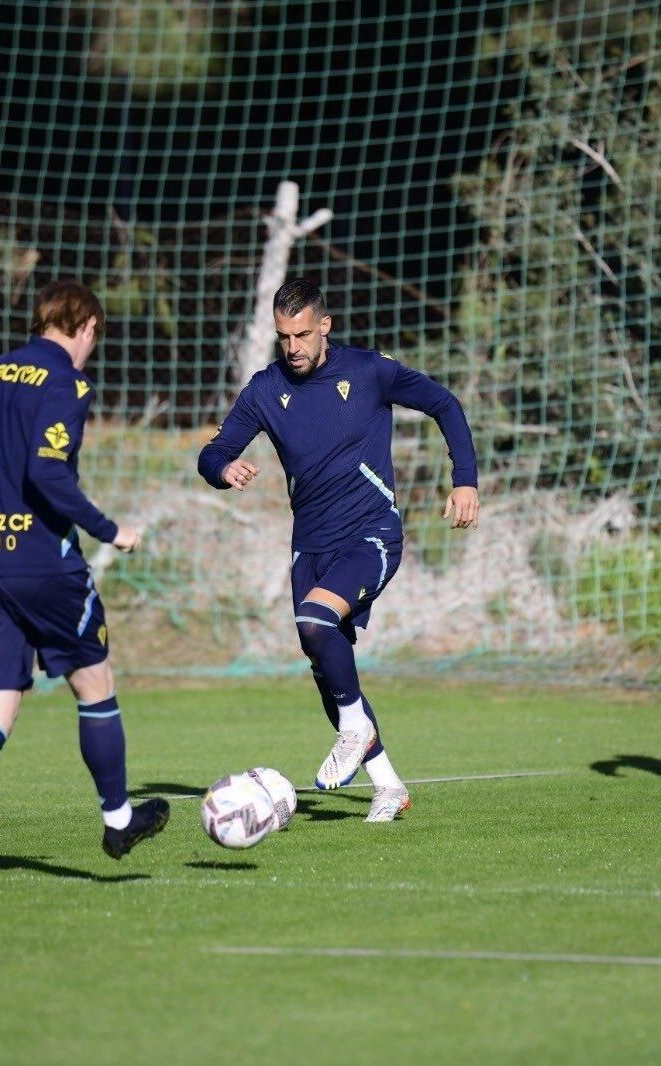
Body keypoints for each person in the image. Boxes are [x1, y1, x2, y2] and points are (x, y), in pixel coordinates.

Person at [0, 279, 169, 893]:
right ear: (85, 327)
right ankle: (118, 820)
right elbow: (47, 471)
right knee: (94, 681)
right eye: (94, 337)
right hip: (42, 564)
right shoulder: (66, 383)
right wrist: (110, 530)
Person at [197, 277, 480, 823]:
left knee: (315, 620)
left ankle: (355, 729)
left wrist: (464, 480)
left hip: (371, 534)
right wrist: (224, 467)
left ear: (324, 326)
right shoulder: (265, 390)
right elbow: (212, 452)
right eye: (284, 337)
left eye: (303, 334)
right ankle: (389, 787)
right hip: (310, 548)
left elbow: (444, 404)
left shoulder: (370, 371)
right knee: (328, 666)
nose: (293, 347)